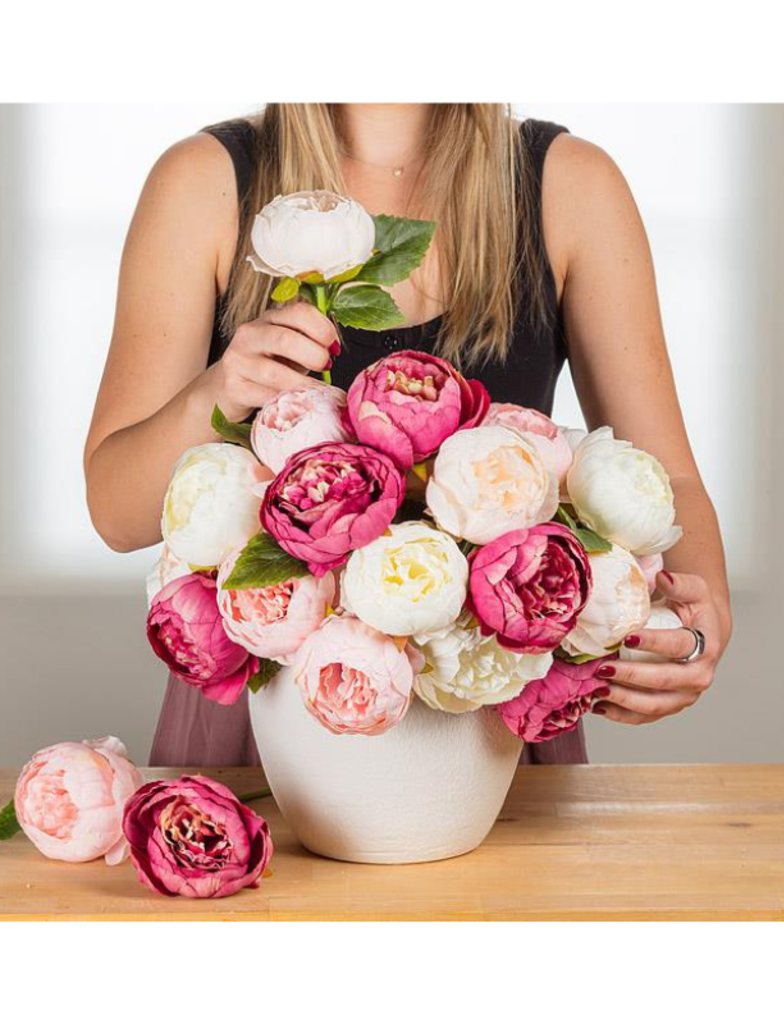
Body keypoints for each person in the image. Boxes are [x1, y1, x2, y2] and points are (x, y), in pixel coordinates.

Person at [83, 103, 732, 767]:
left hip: (490, 722)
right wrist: (215, 392)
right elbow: (117, 514)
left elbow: (670, 479)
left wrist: (696, 626)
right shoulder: (202, 183)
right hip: (271, 727)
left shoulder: (573, 188)